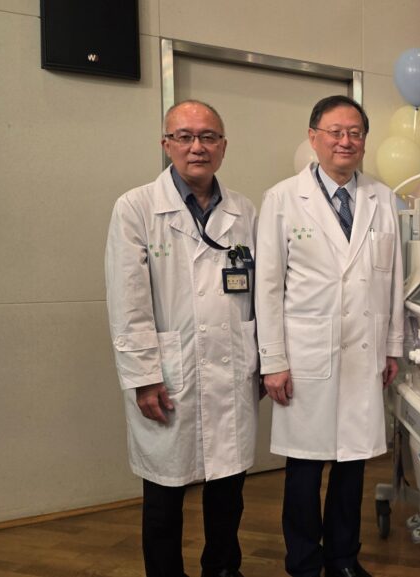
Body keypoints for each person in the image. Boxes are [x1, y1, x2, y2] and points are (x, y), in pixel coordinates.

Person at [105, 100, 259, 577]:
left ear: (223, 146)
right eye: (185, 136)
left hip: (231, 368)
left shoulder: (244, 211)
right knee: (164, 497)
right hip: (170, 374)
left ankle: (223, 569)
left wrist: (263, 360)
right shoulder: (136, 208)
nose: (198, 147)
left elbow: (261, 294)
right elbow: (127, 301)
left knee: (228, 492)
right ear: (166, 144)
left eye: (208, 137)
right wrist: (144, 376)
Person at [254, 95, 404, 577]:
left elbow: (394, 280)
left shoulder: (383, 198)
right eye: (335, 132)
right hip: (305, 356)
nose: (346, 141)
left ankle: (343, 558)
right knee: (303, 469)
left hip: (363, 352)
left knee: (352, 466)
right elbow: (267, 287)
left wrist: (393, 347)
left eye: (355, 133)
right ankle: (303, 561)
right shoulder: (282, 199)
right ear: (313, 137)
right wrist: (273, 360)